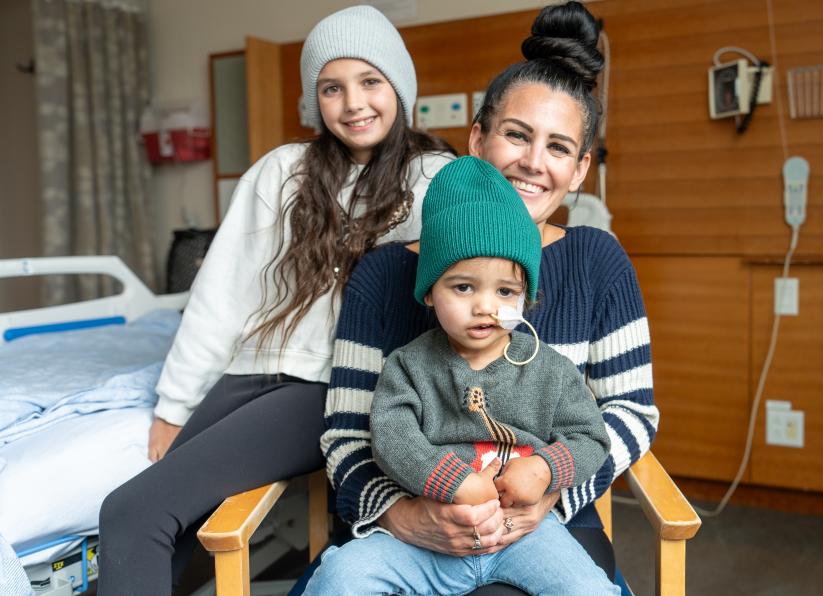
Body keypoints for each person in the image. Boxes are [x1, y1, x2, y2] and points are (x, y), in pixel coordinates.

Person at [97, 6, 454, 594]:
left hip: (329, 388)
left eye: (371, 81)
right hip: (246, 374)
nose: (353, 103)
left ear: (400, 87)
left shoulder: (436, 180)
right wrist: (174, 404)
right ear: (315, 100)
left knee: (131, 512)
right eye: (332, 88)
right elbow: (220, 294)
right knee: (171, 534)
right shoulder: (280, 172)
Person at [318, 2, 657, 593]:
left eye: (558, 149)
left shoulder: (598, 261)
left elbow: (628, 413)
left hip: (546, 524)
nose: (531, 163)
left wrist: (548, 491)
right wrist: (409, 516)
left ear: (579, 171)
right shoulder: (382, 275)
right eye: (516, 135)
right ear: (478, 139)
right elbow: (349, 433)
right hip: (404, 531)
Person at [306, 156, 617, 594]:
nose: (486, 306)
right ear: (430, 292)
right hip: (422, 541)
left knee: (591, 590)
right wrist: (455, 482)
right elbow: (391, 437)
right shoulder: (408, 366)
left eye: (505, 291)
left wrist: (545, 471)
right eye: (463, 287)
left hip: (525, 538)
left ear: (526, 296)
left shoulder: (548, 369)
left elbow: (591, 437)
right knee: (340, 577)